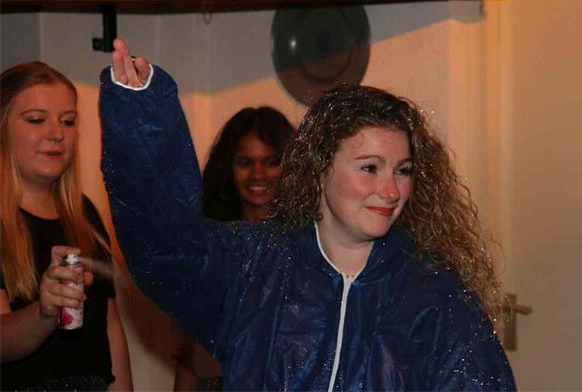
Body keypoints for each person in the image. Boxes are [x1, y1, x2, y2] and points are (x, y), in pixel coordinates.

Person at [100, 38, 516, 391]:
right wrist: (144, 123)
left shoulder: (435, 294)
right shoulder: (253, 268)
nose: (391, 191)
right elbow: (166, 249)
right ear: (320, 169)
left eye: (403, 170)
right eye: (370, 168)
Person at [0, 61, 132, 391]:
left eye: (68, 121)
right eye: (36, 119)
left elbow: (110, 329)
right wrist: (44, 313)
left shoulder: (83, 215)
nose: (57, 133)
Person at [173, 106, 294, 391]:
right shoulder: (211, 245)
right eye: (245, 163)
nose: (258, 174)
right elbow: (190, 356)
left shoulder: (309, 244)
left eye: (272, 162)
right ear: (228, 168)